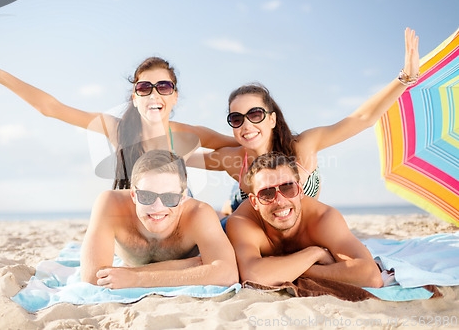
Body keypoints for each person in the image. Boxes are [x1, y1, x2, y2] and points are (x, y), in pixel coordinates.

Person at [200, 28, 420, 211]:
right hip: (249, 208)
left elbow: (362, 118)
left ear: (272, 119)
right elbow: (190, 157)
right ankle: (230, 205)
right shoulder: (235, 159)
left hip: (290, 218)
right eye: (237, 118)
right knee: (234, 209)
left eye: (256, 114)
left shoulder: (303, 146)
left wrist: (404, 79)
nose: (247, 124)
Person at [0, 53, 238, 189]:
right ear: (135, 97)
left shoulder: (188, 134)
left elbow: (243, 146)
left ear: (175, 96)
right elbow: (51, 108)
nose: (154, 94)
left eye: (164, 87)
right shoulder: (118, 128)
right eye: (145, 87)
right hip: (133, 211)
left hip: (174, 211)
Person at [80, 149, 239, 288]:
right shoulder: (110, 204)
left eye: (169, 197)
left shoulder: (199, 213)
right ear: (134, 195)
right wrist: (185, 266)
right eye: (147, 196)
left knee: (229, 221)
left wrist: (137, 278)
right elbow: (92, 278)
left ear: (183, 197)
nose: (157, 207)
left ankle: (226, 208)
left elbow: (227, 274)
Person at [225, 152, 383, 288]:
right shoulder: (241, 222)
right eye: (267, 193)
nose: (280, 201)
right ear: (254, 202)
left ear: (300, 190)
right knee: (223, 220)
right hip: (230, 217)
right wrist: (314, 253)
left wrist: (300, 269)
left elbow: (371, 276)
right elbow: (254, 276)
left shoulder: (324, 218)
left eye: (288, 188)